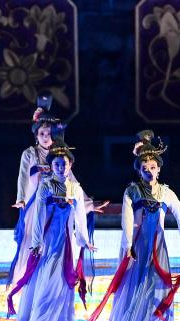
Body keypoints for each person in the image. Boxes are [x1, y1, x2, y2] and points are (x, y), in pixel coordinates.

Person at [85, 130, 180, 321]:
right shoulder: (132, 191)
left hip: (158, 247)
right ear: (138, 170)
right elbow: (127, 220)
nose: (149, 171)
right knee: (139, 288)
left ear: (159, 169)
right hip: (138, 247)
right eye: (145, 168)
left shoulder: (166, 193)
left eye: (153, 167)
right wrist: (128, 245)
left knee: (161, 288)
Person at [10, 94, 107, 289]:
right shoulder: (29, 153)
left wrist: (88, 204)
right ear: (36, 135)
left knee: (58, 241)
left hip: (58, 206)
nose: (46, 137)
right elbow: (22, 177)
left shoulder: (60, 156)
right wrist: (21, 199)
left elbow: (72, 182)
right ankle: (29, 277)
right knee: (34, 239)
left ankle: (55, 277)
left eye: (49, 134)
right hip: (36, 204)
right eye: (42, 134)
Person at [9, 136, 96, 321]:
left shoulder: (75, 189)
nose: (60, 168)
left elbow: (80, 217)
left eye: (64, 164)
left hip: (65, 242)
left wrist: (83, 240)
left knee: (61, 279)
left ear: (70, 165)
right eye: (56, 164)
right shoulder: (46, 187)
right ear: (51, 166)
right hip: (48, 240)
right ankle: (40, 317)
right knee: (46, 275)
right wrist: (37, 241)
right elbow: (39, 216)